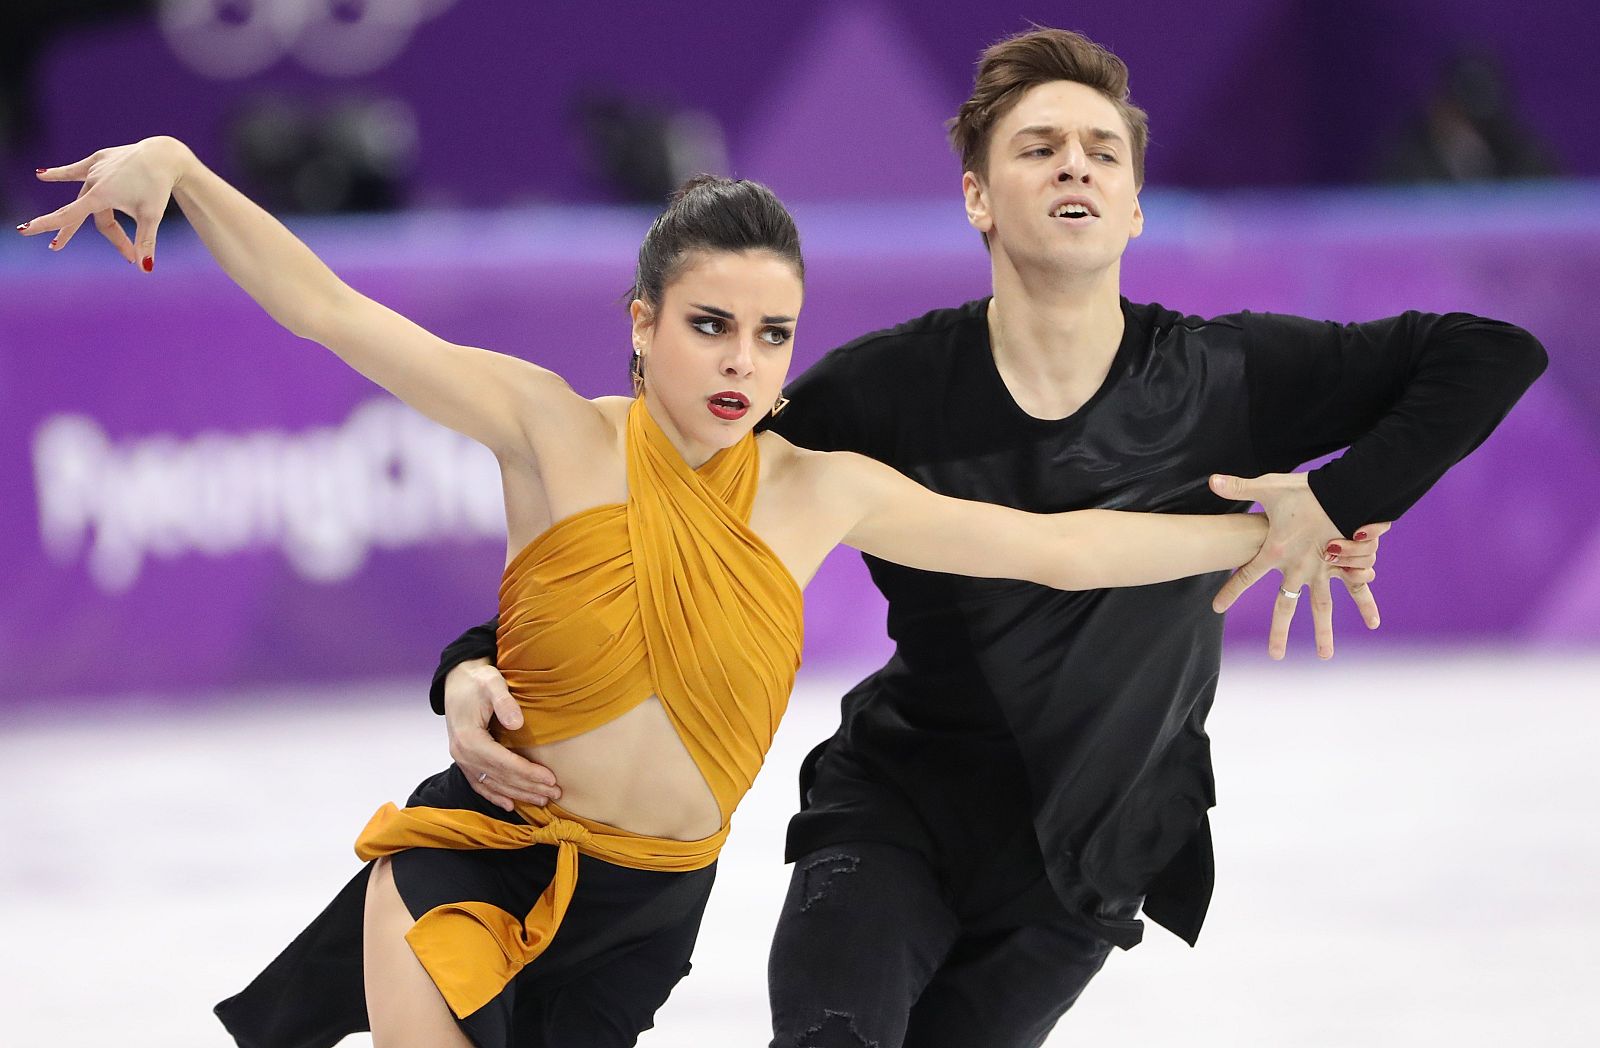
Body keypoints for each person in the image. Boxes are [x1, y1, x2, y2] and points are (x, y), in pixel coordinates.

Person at [15, 137, 1344, 1048]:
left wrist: (1266, 531)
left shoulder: (821, 489)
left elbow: (1060, 548)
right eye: (709, 325)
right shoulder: (552, 430)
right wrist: (182, 172)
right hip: (474, 857)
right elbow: (330, 311)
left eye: (772, 336)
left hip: (646, 909)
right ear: (643, 321)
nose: (741, 363)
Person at [427, 27, 1548, 1048]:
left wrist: (1333, 499)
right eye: (1041, 147)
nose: (1076, 166)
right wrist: (474, 659)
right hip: (893, 813)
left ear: (1136, 204)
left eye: (1104, 152)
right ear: (975, 197)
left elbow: (1488, 351)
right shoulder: (880, 393)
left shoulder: (1226, 377)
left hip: (1086, 865)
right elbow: (663, 514)